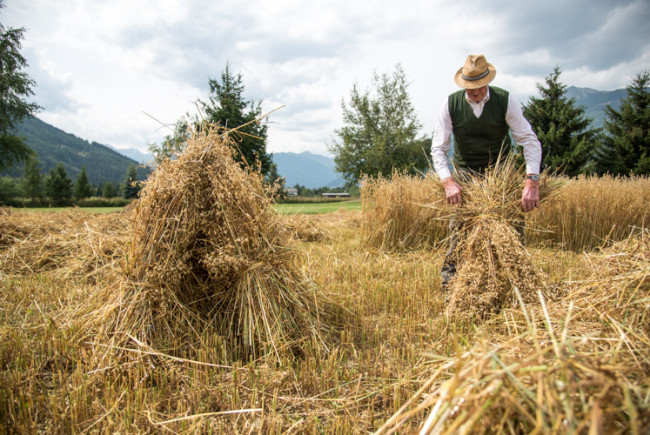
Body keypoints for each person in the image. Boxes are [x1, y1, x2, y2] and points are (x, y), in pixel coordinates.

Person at [430, 54, 542, 288]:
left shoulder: (505, 101)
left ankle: (516, 280)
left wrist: (531, 182)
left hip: (500, 174)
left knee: (511, 226)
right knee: (459, 227)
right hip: (466, 173)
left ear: (487, 81)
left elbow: (529, 141)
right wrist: (448, 181)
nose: (474, 92)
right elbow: (438, 148)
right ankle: (451, 282)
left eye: (478, 86)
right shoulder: (451, 104)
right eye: (468, 87)